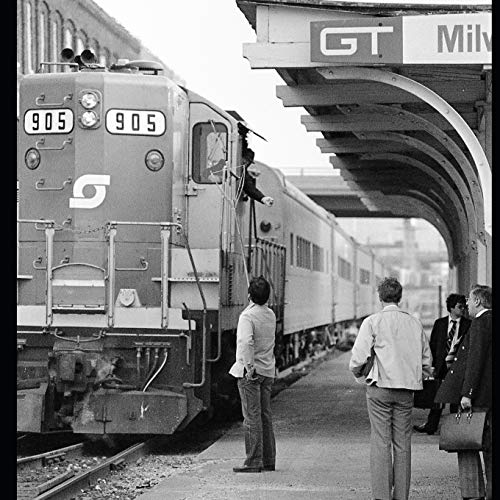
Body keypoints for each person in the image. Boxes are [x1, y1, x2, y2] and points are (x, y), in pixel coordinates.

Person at [349, 277, 433, 500]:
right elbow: (427, 362)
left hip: (380, 389)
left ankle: (382, 495)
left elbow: (358, 358)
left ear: (380, 297)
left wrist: (359, 375)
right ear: (400, 297)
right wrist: (415, 377)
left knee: (381, 441)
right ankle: (401, 496)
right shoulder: (414, 323)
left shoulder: (372, 322)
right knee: (403, 443)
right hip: (405, 392)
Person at [435, 285, 492, 500]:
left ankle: (477, 493)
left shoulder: (480, 323)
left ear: (478, 301)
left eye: (468, 300)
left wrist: (467, 393)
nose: (466, 304)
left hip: (480, 397)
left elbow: (474, 361)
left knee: (477, 444)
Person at [229, 276, 277, 473]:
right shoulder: (271, 314)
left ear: (249, 295)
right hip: (267, 370)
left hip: (252, 373)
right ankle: (268, 460)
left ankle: (253, 461)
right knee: (265, 416)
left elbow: (246, 342)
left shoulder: (247, 317)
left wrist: (249, 368)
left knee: (251, 417)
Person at [413, 293, 470, 435]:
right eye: (460, 306)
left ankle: (454, 429)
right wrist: (430, 365)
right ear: (451, 308)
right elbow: (433, 344)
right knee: (436, 397)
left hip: (457, 366)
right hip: (441, 365)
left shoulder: (468, 324)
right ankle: (431, 426)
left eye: (464, 306)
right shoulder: (440, 323)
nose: (463, 309)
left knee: (455, 399)